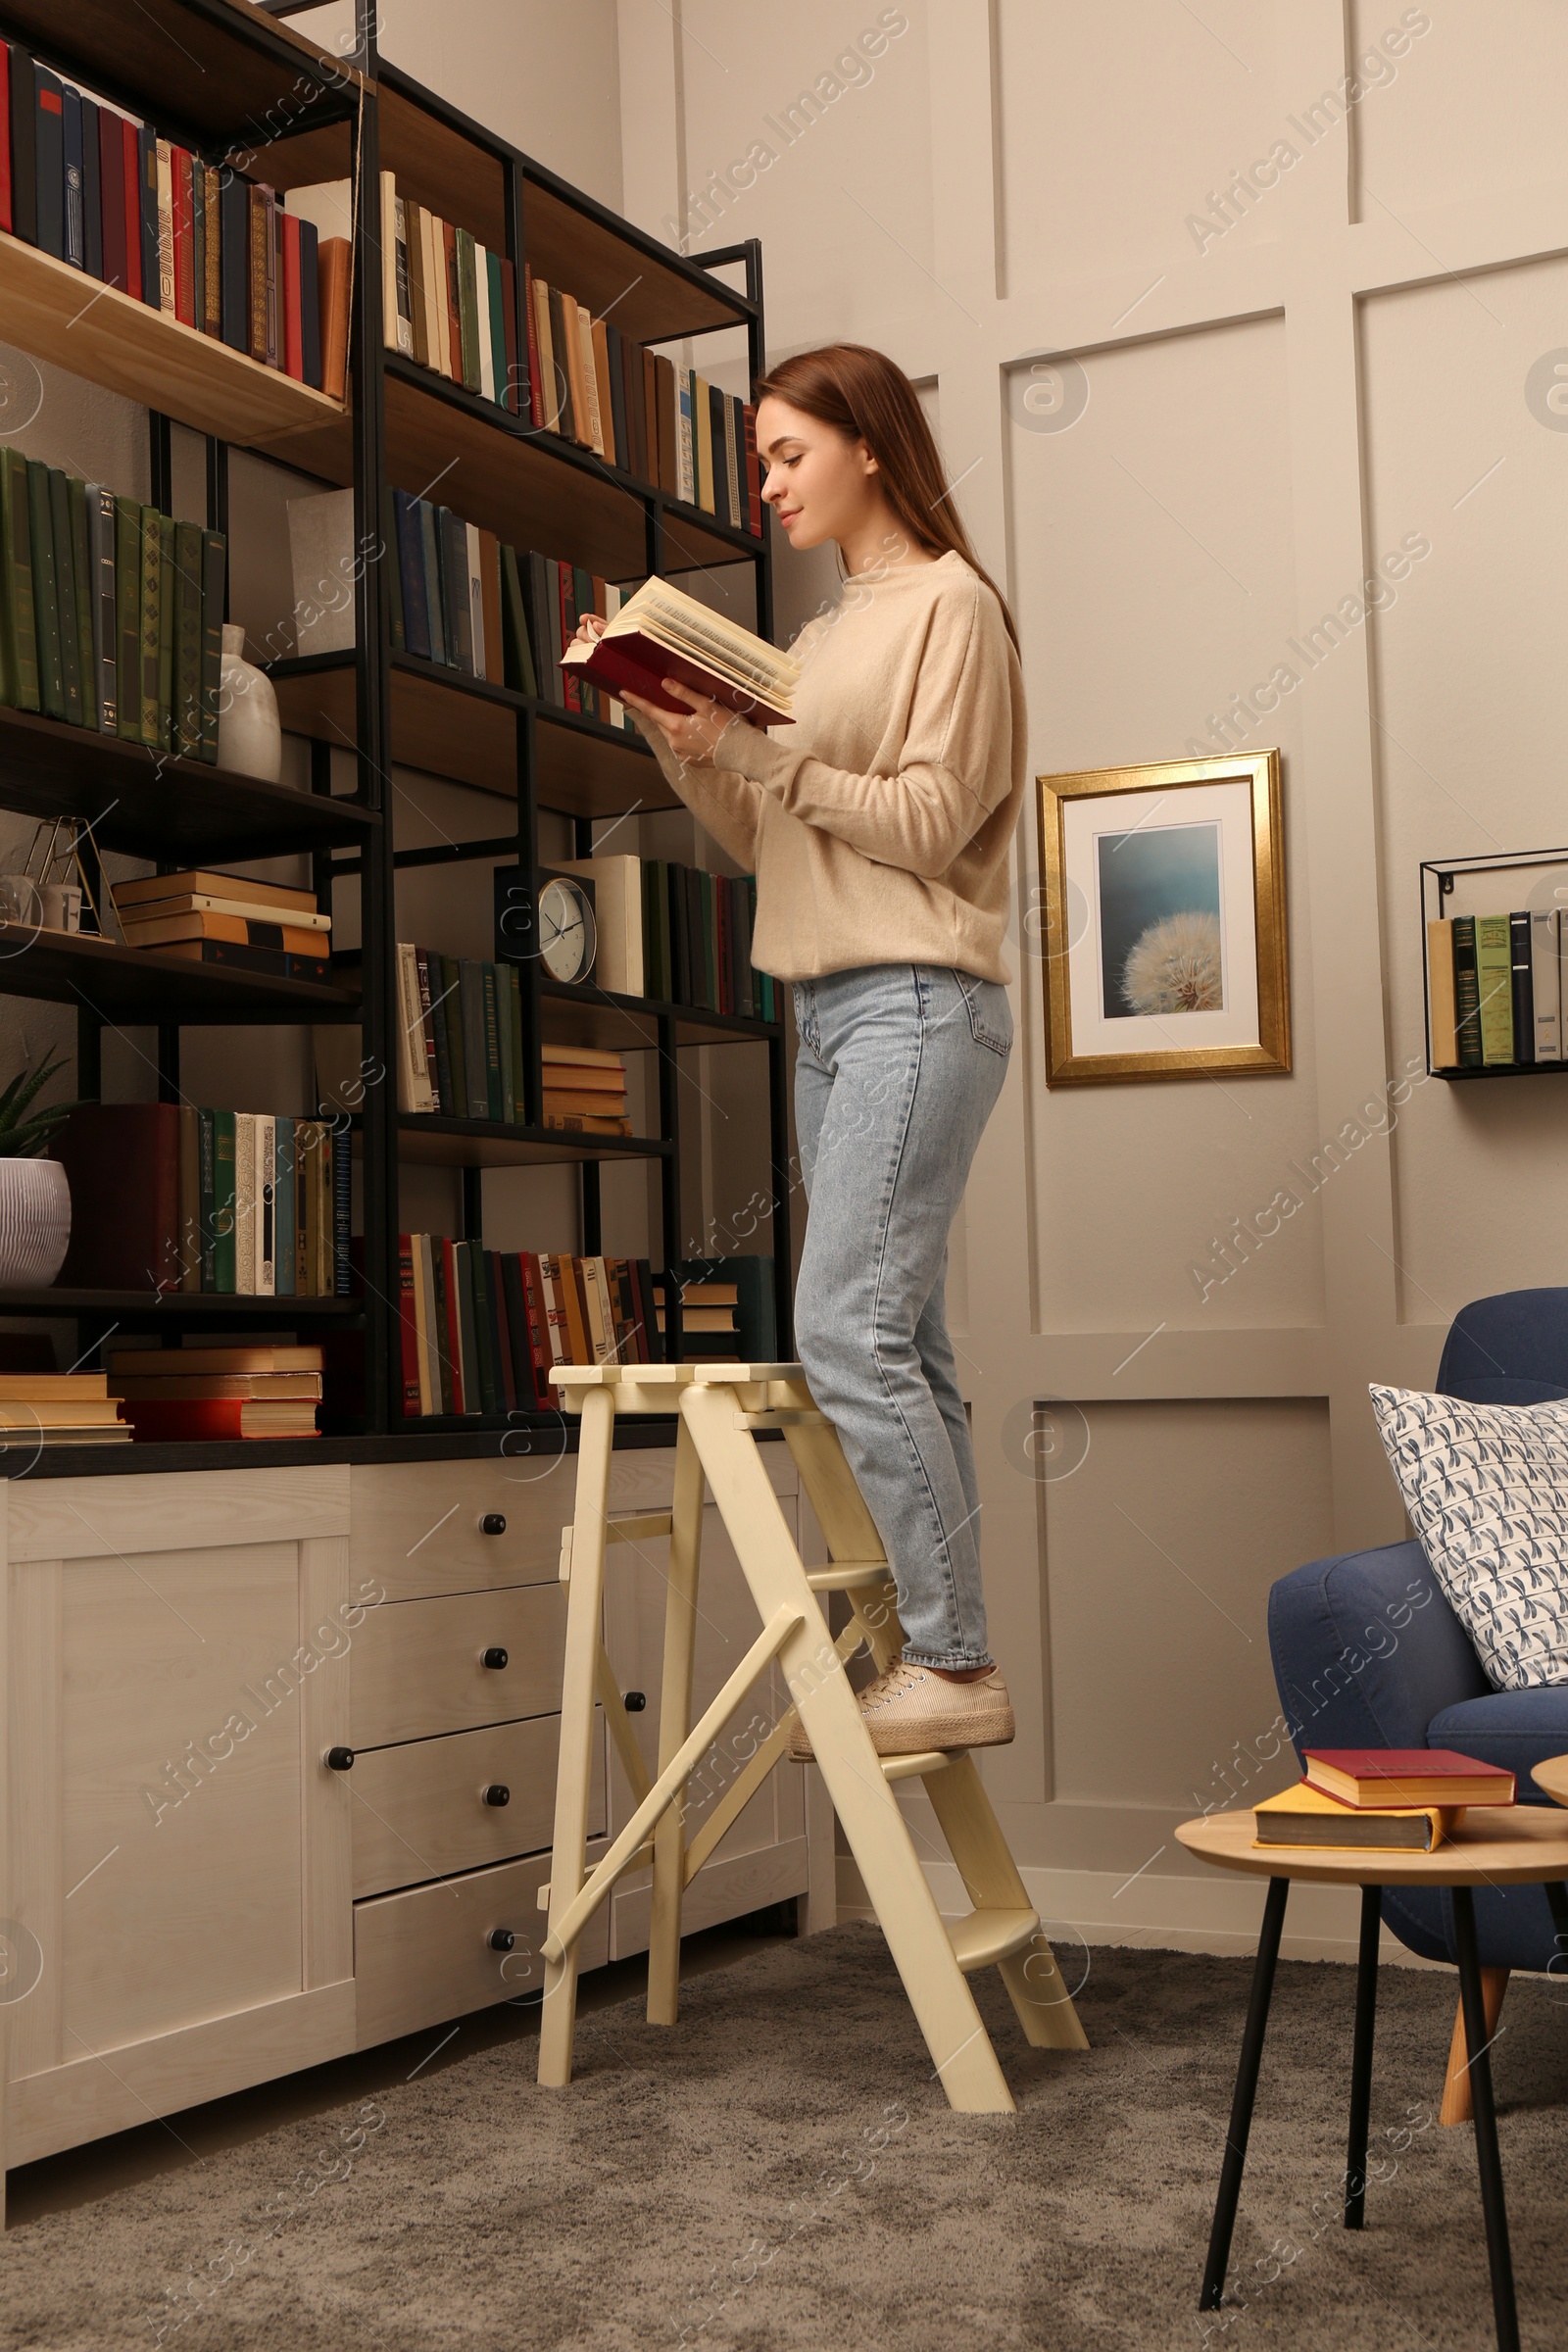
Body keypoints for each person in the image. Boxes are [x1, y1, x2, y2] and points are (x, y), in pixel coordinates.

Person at [570, 342, 1026, 1757]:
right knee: (908, 1341)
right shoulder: (822, 640)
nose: (765, 485)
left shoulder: (954, 610)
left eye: (785, 455)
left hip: (915, 998)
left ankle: (952, 1664)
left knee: (846, 1329)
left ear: (869, 445)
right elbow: (768, 841)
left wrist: (760, 757)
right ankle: (951, 1651)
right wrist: (682, 740)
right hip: (825, 1011)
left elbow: (926, 827)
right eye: (760, 461)